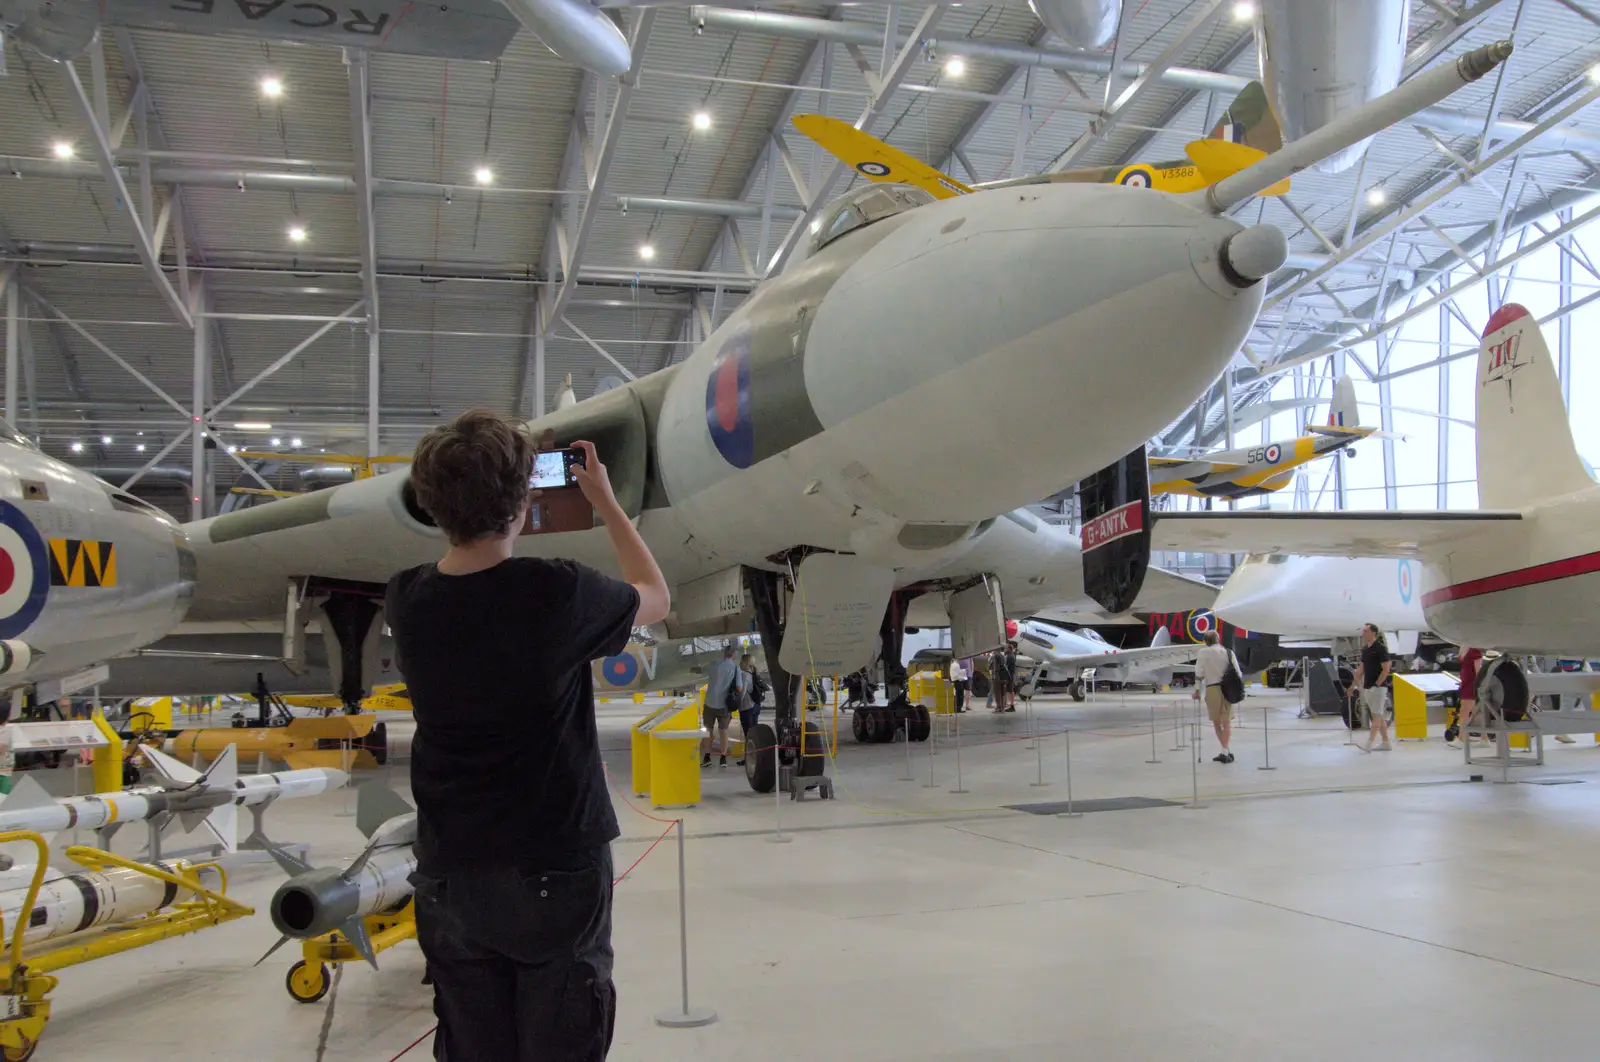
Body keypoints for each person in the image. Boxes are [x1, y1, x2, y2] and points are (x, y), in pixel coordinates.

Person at [385, 411, 671, 1062]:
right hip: (553, 864)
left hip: (450, 870)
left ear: (430, 503)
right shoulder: (555, 592)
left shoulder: (407, 599)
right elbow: (654, 594)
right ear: (522, 501)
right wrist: (605, 502)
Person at [1192, 630, 1237, 763]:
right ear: (1218, 639)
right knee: (1227, 721)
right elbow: (1238, 673)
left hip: (1212, 689)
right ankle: (1226, 751)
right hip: (1228, 689)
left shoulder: (1203, 653)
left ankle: (1225, 751)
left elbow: (1198, 675)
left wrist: (1197, 691)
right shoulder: (1229, 653)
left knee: (1217, 722)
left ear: (1206, 642)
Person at [703, 645, 746, 769]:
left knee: (708, 730)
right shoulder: (735, 669)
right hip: (724, 705)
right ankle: (723, 758)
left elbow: (701, 670)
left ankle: (707, 757)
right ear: (734, 655)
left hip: (710, 702)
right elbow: (739, 688)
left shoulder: (714, 664)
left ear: (724, 653)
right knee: (723, 731)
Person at [1353, 622, 1393, 752]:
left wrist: (1377, 684)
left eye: (1366, 631)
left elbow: (1386, 669)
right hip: (1368, 687)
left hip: (1378, 688)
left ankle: (1369, 743)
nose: (1363, 633)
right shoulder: (1365, 649)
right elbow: (1361, 668)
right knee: (1378, 715)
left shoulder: (1380, 648)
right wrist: (1353, 684)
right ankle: (1386, 742)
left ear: (1373, 633)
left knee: (1376, 716)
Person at [1447, 646, 1482, 748]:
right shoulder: (1464, 647)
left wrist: (1478, 686)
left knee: (1464, 711)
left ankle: (1461, 739)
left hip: (1471, 685)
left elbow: (1478, 671)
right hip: (1466, 683)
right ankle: (1484, 738)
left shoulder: (1474, 649)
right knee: (1476, 711)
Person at [735, 652, 765, 765]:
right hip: (756, 706)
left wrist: (734, 702)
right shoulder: (754, 673)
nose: (739, 664)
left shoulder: (744, 675)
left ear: (744, 663)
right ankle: (756, 756)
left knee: (748, 734)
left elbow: (742, 694)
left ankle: (749, 758)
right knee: (754, 733)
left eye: (741, 662)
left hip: (747, 707)